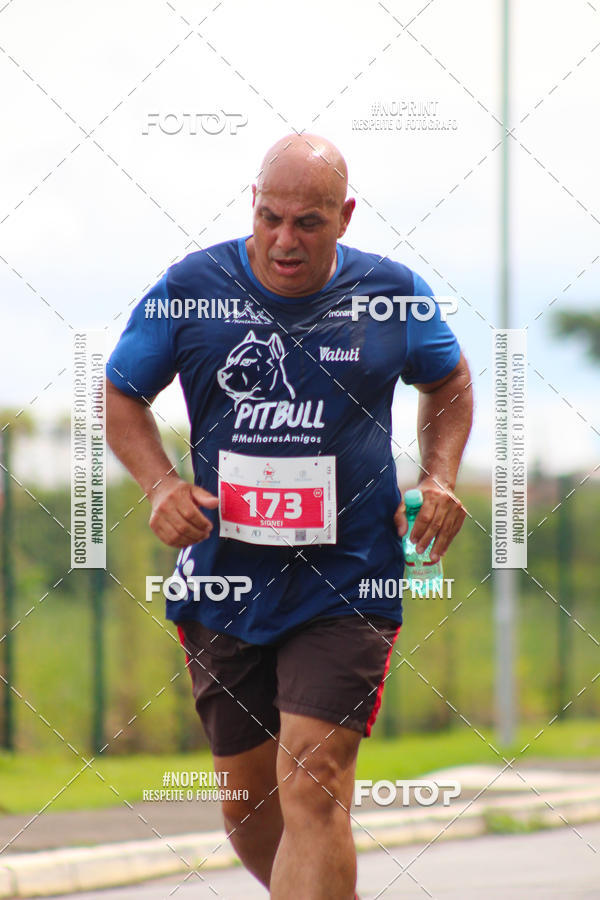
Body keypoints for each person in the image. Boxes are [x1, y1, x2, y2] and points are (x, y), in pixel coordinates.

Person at [106, 133, 473, 899]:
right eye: (270, 216)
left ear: (344, 216)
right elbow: (120, 392)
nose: (284, 240)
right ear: (252, 203)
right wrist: (160, 485)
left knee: (314, 779)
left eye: (307, 222)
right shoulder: (193, 287)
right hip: (225, 582)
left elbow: (451, 381)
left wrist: (439, 475)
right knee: (251, 812)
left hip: (347, 579)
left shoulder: (391, 295)